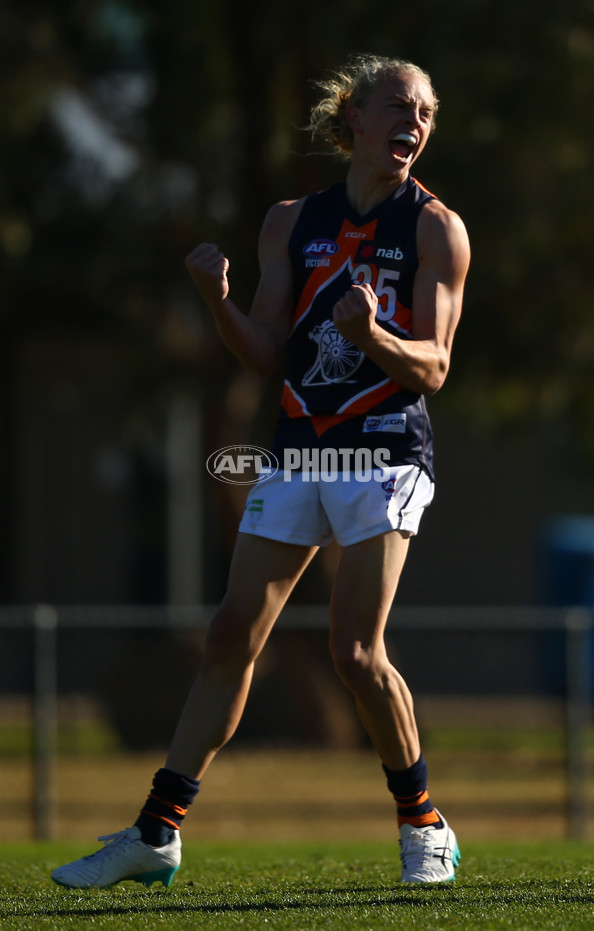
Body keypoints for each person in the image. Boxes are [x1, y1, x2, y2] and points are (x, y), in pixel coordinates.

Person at [52, 53, 470, 889]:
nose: (414, 123)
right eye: (399, 105)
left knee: (355, 651)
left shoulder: (435, 228)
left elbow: (433, 367)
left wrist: (374, 338)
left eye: (424, 112)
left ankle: (424, 822)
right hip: (299, 444)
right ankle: (157, 831)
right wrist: (218, 300)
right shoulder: (291, 220)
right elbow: (267, 355)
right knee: (230, 636)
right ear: (353, 116)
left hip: (384, 448)